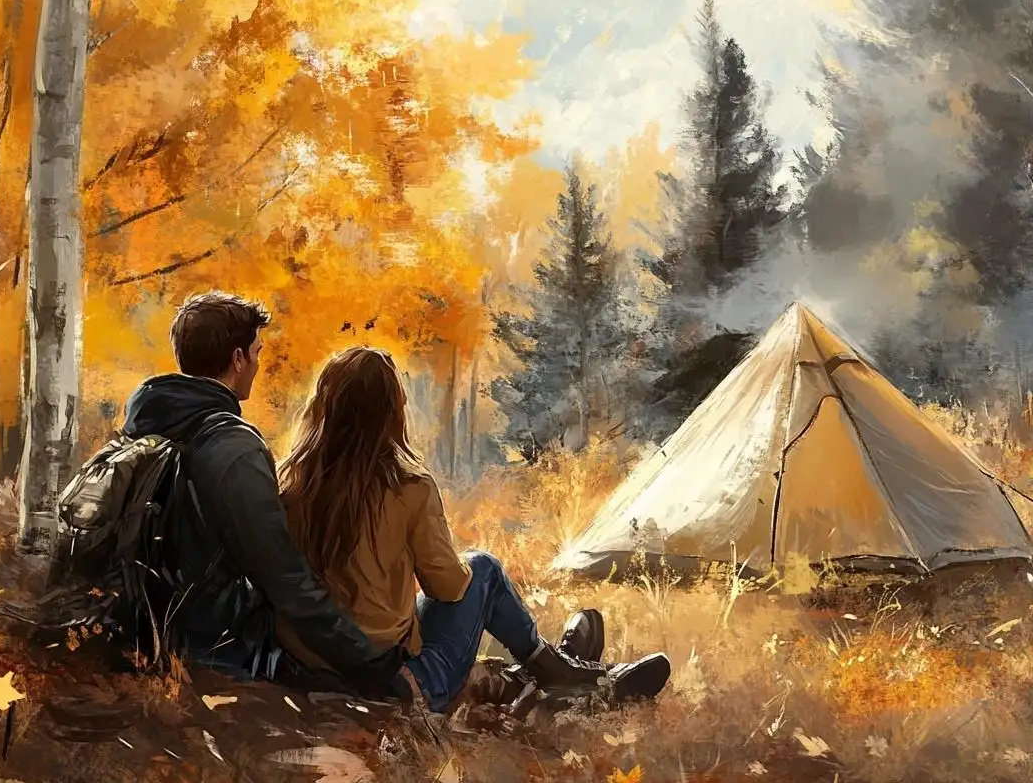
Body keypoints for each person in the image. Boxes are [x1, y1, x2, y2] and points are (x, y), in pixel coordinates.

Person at [278, 345, 670, 712]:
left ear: (323, 408)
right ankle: (556, 670)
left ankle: (546, 671)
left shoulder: (289, 485)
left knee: (452, 593)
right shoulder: (407, 487)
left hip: (315, 667)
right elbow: (448, 587)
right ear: (391, 414)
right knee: (483, 569)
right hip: (395, 682)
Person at [118, 293, 409, 695]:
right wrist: (369, 664)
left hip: (156, 627)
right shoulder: (233, 450)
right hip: (222, 649)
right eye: (256, 351)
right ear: (238, 359)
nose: (258, 362)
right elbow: (285, 581)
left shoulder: (152, 422)